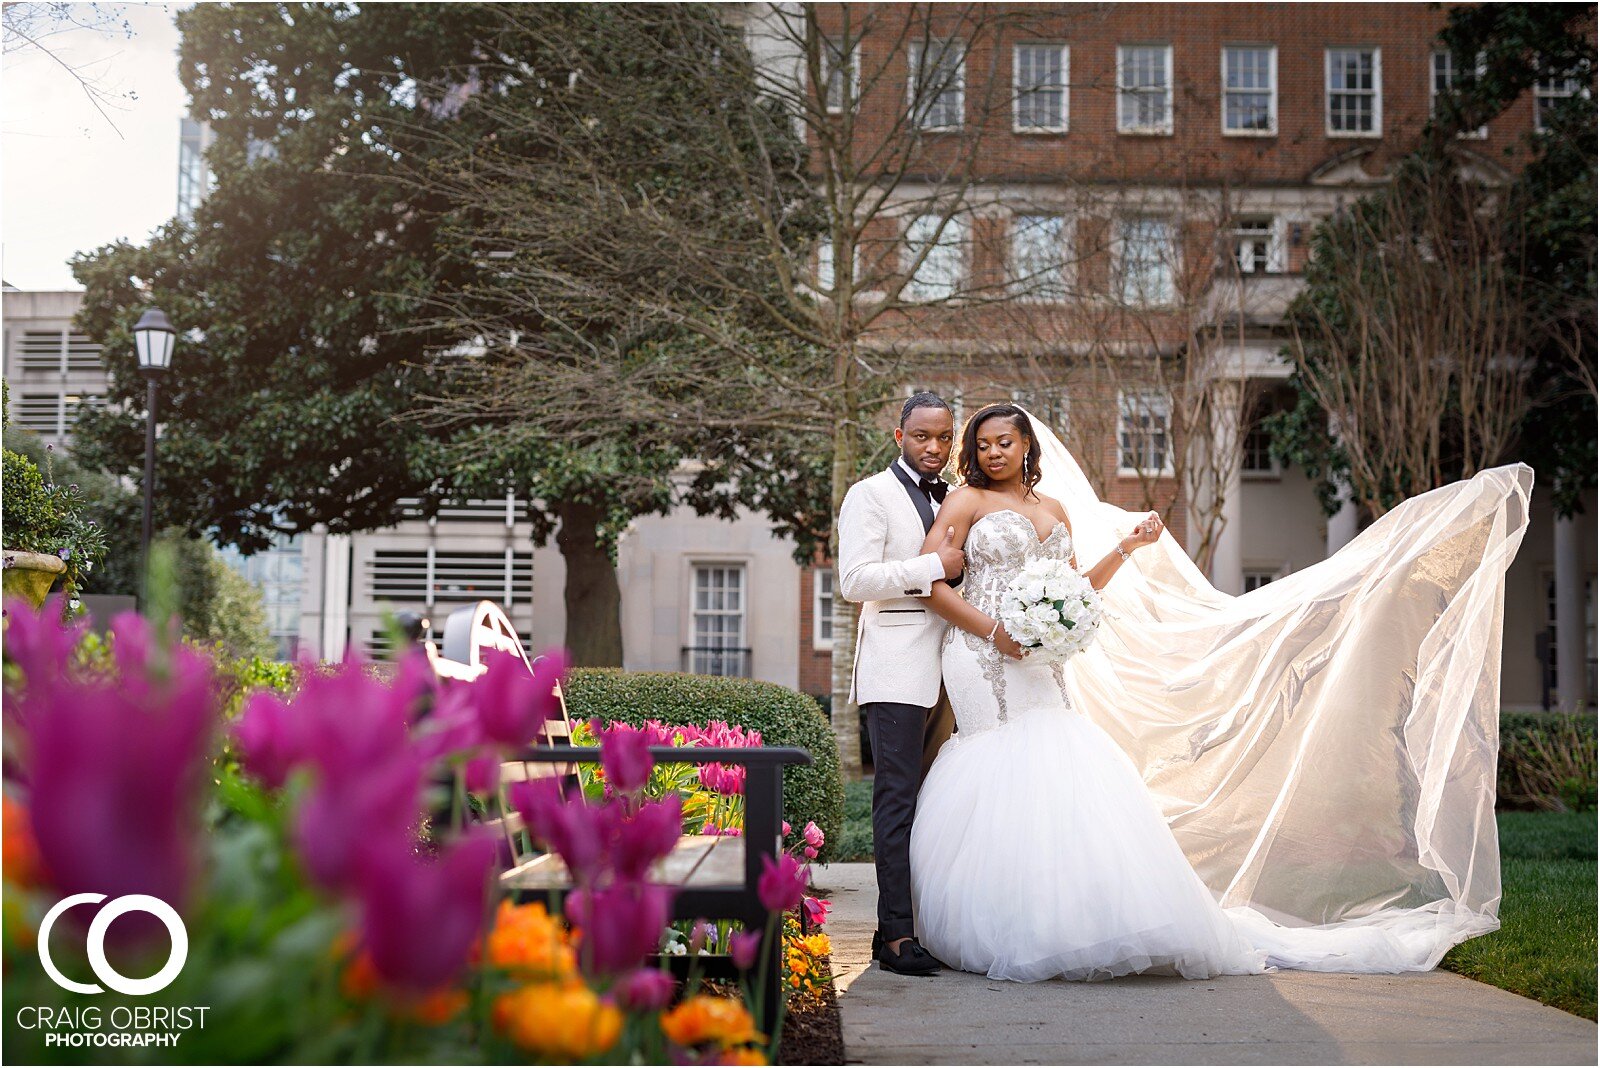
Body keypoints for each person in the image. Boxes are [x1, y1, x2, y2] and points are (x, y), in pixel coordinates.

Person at [908, 402, 1532, 982]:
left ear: (1025, 447)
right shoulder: (964, 503)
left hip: (1041, 657)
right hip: (979, 652)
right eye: (983, 444)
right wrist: (996, 633)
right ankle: (999, 917)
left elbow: (1076, 590)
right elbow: (931, 584)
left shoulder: (1056, 512)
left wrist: (1123, 551)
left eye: (1004, 442)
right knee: (997, 761)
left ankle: (1067, 915)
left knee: (1055, 759)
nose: (992, 453)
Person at [836, 391, 964, 976]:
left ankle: (933, 926)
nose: (934, 448)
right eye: (922, 437)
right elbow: (856, 580)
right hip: (896, 668)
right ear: (899, 436)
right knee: (896, 800)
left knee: (945, 803)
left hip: (961, 671)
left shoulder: (960, 496)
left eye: (943, 437)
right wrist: (933, 568)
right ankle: (893, 938)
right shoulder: (870, 494)